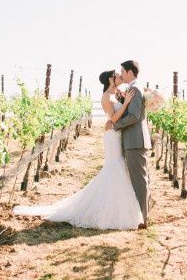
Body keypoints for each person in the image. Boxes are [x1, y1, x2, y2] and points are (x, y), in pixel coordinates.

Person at [12, 70, 144, 230]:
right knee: (114, 167)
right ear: (110, 79)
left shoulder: (116, 94)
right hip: (112, 134)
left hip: (117, 134)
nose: (119, 76)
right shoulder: (107, 97)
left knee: (118, 167)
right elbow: (113, 119)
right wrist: (126, 103)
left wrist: (126, 99)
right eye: (116, 75)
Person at [111, 60, 152, 229]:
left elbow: (134, 116)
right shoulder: (133, 89)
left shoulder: (135, 89)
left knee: (140, 180)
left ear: (130, 72)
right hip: (133, 140)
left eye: (122, 71)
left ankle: (143, 219)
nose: (121, 74)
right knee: (138, 178)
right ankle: (140, 215)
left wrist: (117, 124)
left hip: (135, 140)